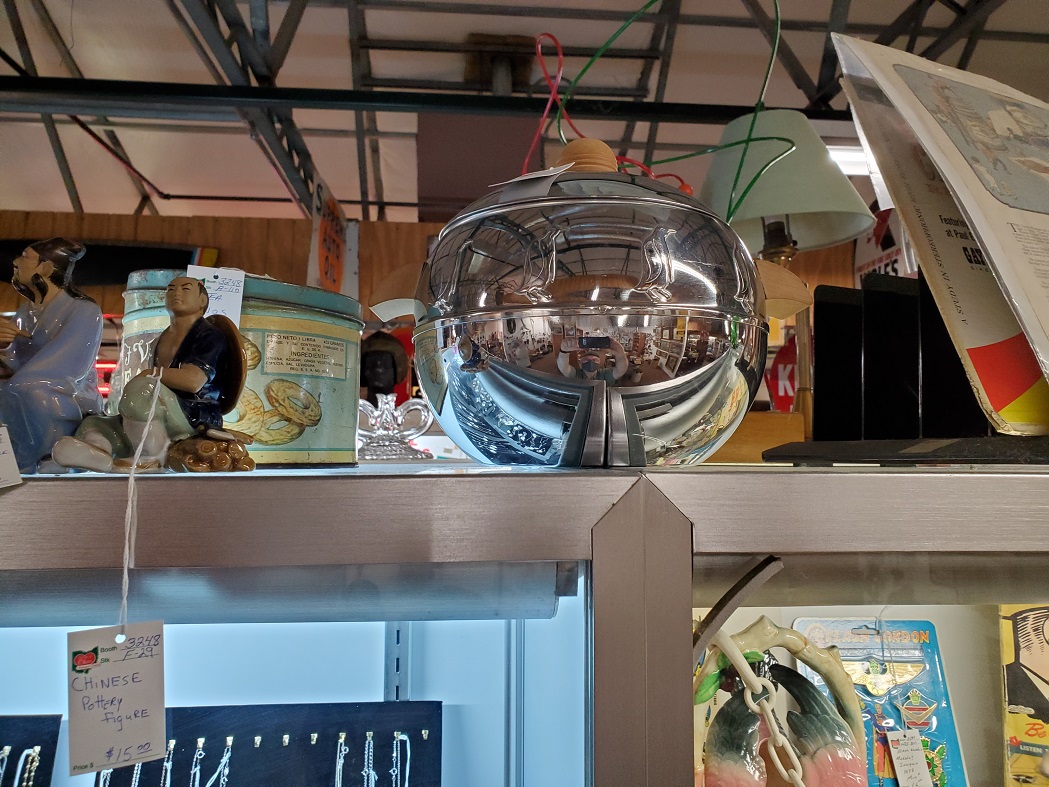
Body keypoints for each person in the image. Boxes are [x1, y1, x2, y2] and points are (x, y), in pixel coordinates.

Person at [54, 275, 227, 472]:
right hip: (161, 410)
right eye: (170, 289)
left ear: (202, 301)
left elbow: (193, 381)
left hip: (194, 412)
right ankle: (99, 451)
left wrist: (150, 373)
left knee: (142, 389)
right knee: (95, 423)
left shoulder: (209, 336)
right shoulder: (162, 338)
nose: (176, 293)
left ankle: (151, 455)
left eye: (185, 289)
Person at [0, 238, 103, 472]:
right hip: (26, 384)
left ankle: (49, 457)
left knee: (31, 389)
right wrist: (3, 347)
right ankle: (9, 463)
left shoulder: (84, 310)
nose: (16, 262)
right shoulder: (24, 313)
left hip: (66, 390)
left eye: (25, 257)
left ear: (46, 268)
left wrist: (18, 380)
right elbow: (12, 363)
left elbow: (70, 364)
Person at [557, 336, 628, 383]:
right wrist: (563, 351)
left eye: (595, 360)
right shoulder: (576, 374)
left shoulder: (604, 374)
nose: (591, 362)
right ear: (580, 363)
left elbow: (620, 371)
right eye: (586, 360)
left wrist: (621, 355)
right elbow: (564, 368)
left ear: (599, 363)